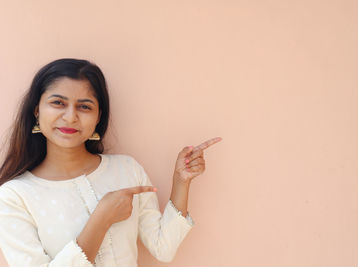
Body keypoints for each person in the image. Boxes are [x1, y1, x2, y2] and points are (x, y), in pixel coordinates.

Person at [0, 58, 222, 266]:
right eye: (58, 103)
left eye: (84, 106)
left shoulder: (126, 169)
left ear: (98, 117)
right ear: (37, 111)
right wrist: (101, 219)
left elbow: (163, 248)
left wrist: (181, 182)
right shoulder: (14, 196)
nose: (70, 117)